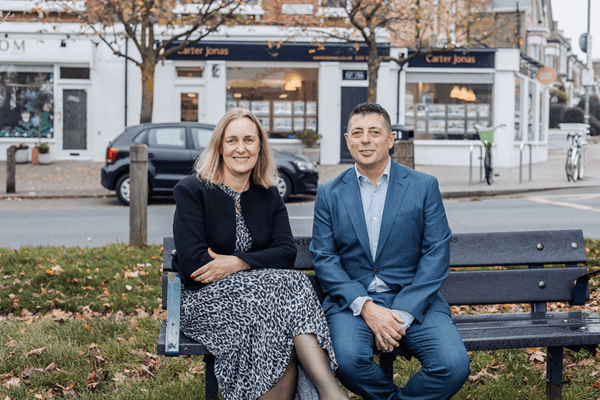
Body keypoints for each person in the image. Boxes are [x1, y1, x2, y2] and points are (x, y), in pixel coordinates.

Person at [171, 108, 348, 400]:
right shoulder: (192, 191)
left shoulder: (268, 194)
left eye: (249, 140)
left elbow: (286, 253)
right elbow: (195, 264)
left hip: (267, 301)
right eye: (232, 141)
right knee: (293, 287)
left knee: (278, 316)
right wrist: (257, 267)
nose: (241, 149)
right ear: (219, 147)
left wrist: (237, 262)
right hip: (204, 303)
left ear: (260, 147)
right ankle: (329, 391)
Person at [310, 102, 471, 400]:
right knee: (346, 361)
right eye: (357, 133)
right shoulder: (329, 193)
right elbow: (324, 258)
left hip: (415, 300)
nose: (365, 140)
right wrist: (367, 308)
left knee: (453, 365)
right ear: (347, 140)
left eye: (374, 131)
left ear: (391, 138)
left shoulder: (423, 186)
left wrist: (400, 314)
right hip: (353, 303)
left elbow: (436, 254)